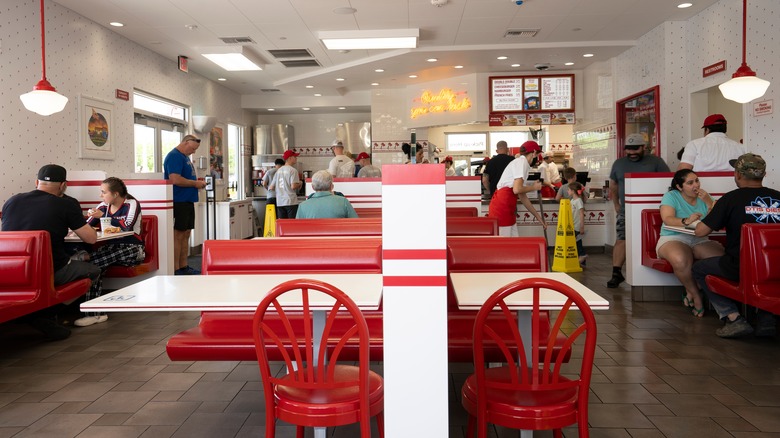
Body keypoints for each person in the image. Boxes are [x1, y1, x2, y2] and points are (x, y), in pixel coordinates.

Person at [1, 164, 100, 340]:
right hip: (50, 269)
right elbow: (91, 239)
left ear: (36, 182)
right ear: (63, 185)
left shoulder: (12, 200)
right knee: (93, 270)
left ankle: (37, 315)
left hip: (11, 271)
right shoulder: (64, 204)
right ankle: (43, 314)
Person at [692, 153, 780, 338]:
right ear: (763, 175)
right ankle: (767, 318)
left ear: (738, 175)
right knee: (768, 272)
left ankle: (733, 318)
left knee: (699, 269)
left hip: (739, 266)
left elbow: (701, 232)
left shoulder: (730, 199)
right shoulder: (778, 197)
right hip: (776, 268)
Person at [77, 177, 146, 327]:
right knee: (94, 267)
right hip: (111, 249)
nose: (101, 196)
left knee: (92, 264)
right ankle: (95, 313)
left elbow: (127, 226)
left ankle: (93, 313)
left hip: (133, 249)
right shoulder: (103, 206)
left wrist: (103, 216)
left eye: (103, 192)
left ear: (115, 194)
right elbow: (87, 227)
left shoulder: (131, 204)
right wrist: (90, 216)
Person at [657, 170, 724, 317]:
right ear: (679, 187)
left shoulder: (705, 197)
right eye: (690, 183)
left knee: (722, 258)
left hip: (699, 239)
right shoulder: (671, 196)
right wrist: (686, 220)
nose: (696, 185)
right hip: (673, 237)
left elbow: (718, 219)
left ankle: (690, 290)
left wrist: (708, 202)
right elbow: (667, 219)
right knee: (680, 259)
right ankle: (697, 296)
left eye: (697, 181)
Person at [607, 133, 670, 288]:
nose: (632, 153)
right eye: (628, 149)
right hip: (625, 210)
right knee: (621, 239)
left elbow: (668, 182)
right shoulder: (619, 163)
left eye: (635, 149)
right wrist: (616, 204)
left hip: (652, 209)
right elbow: (613, 185)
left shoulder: (657, 162)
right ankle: (616, 273)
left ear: (644, 147)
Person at [164, 134, 207, 276]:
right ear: (186, 142)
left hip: (188, 200)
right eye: (193, 149)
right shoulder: (174, 156)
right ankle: (176, 268)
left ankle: (184, 265)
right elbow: (175, 179)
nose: (193, 152)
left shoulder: (184, 158)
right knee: (179, 234)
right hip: (179, 200)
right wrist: (195, 184)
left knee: (186, 234)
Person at [488, 141, 547, 237]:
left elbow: (522, 196)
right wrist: (534, 187)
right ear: (534, 152)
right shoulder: (521, 162)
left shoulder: (522, 164)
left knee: (514, 242)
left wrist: (539, 218)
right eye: (538, 154)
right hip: (502, 207)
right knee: (504, 245)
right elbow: (517, 189)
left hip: (507, 207)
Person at [678, 114, 746, 171]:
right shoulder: (740, 147)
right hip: (732, 185)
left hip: (702, 184)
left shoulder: (694, 144)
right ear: (725, 129)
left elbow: (683, 170)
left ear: (707, 129)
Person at [271, 150, 302, 218]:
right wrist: (300, 183)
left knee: (283, 225)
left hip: (280, 202)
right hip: (290, 202)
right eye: (295, 157)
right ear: (290, 158)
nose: (296, 158)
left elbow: (271, 187)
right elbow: (293, 186)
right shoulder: (292, 170)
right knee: (291, 225)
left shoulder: (278, 171)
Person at [568, 181, 587, 266]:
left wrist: (582, 227)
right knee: (576, 243)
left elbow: (581, 213)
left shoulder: (578, 201)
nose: (567, 191)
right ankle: (582, 261)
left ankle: (582, 256)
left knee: (578, 243)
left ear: (573, 191)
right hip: (573, 226)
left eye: (568, 189)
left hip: (577, 226)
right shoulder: (572, 200)